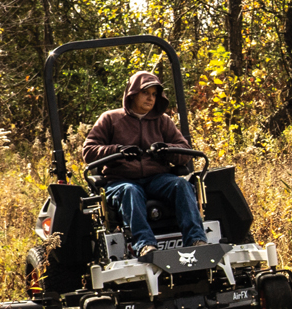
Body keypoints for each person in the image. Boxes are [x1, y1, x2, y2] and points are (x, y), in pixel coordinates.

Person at [82, 69, 206, 260]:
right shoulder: (111, 119)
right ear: (132, 93)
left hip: (157, 178)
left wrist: (167, 150)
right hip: (121, 180)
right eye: (145, 93)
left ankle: (197, 241)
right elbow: (89, 151)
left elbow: (184, 152)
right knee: (130, 191)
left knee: (181, 184)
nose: (150, 99)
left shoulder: (163, 122)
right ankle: (145, 245)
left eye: (154, 95)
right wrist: (117, 150)